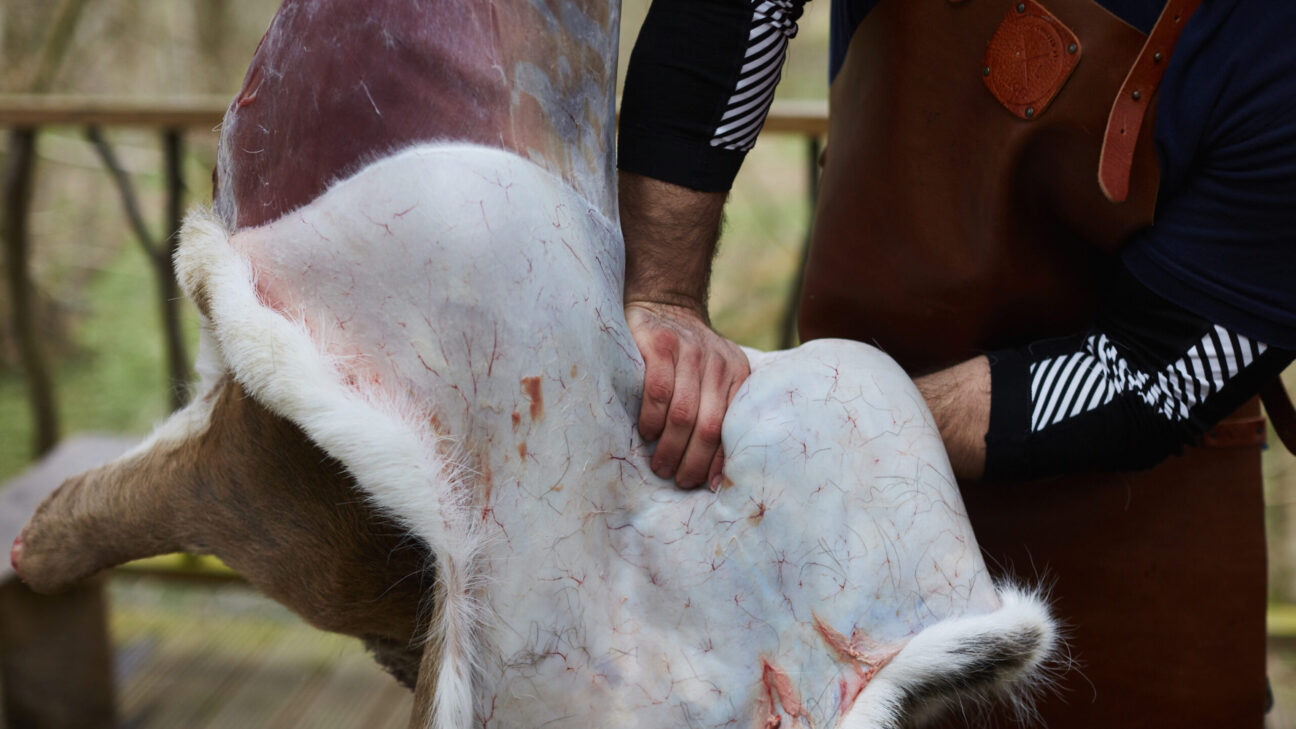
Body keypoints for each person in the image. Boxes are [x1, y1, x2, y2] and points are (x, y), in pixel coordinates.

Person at [617, 0, 1296, 725]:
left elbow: (1150, 372)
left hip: (1137, 524)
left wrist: (837, 424)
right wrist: (664, 298)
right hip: (842, 512)